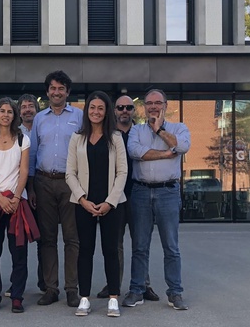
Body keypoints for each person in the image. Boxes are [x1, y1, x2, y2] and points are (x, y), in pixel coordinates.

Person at [123, 89, 191, 311]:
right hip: (141, 192)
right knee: (139, 245)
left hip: (168, 192)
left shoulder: (178, 128)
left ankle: (175, 292)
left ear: (166, 104)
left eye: (157, 103)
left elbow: (181, 146)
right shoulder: (136, 131)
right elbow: (135, 152)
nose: (153, 106)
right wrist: (165, 153)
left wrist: (160, 130)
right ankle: (137, 290)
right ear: (143, 106)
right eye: (149, 103)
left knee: (171, 246)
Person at [65, 91, 128, 318]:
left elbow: (122, 172)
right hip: (84, 204)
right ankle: (84, 298)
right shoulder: (77, 138)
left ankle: (113, 298)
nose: (96, 112)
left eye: (100, 108)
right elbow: (69, 173)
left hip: (111, 204)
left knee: (111, 250)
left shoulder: (116, 137)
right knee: (85, 251)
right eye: (92, 107)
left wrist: (110, 202)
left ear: (106, 111)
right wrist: (82, 199)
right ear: (87, 110)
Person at [27, 70, 83, 307]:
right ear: (47, 92)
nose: (56, 92)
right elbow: (31, 154)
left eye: (61, 88)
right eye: (52, 88)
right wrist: (30, 187)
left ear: (67, 92)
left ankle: (72, 289)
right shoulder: (40, 119)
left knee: (72, 238)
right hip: (43, 183)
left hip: (71, 182)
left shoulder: (80, 116)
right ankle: (51, 288)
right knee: (47, 238)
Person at [96, 95, 158, 301]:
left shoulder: (141, 132)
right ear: (114, 110)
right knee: (114, 243)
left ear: (134, 110)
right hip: (114, 196)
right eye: (120, 107)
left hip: (138, 193)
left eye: (129, 107)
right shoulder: (108, 134)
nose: (124, 110)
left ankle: (143, 284)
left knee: (141, 242)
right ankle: (113, 284)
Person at [0, 98, 31, 314]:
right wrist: (0, 198)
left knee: (19, 252)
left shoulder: (23, 140)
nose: (6, 115)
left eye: (10, 111)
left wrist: (16, 198)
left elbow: (24, 171)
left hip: (17, 202)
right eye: (2, 111)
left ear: (14, 116)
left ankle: (17, 296)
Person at [16, 93, 44, 294]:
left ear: (37, 109)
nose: (27, 109)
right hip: (18, 190)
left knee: (44, 237)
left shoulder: (44, 127)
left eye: (31, 106)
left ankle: (45, 281)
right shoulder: (13, 131)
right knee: (20, 239)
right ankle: (18, 283)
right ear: (19, 111)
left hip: (42, 187)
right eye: (24, 106)